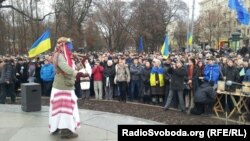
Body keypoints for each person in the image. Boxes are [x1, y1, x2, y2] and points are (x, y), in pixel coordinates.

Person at [49, 37, 80, 139]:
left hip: (64, 85)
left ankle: (58, 127)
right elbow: (65, 68)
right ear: (62, 44)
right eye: (68, 44)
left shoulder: (65, 55)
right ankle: (65, 131)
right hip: (63, 87)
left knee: (60, 109)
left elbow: (70, 66)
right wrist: (76, 72)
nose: (70, 46)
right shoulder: (59, 55)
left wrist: (80, 64)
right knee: (65, 109)